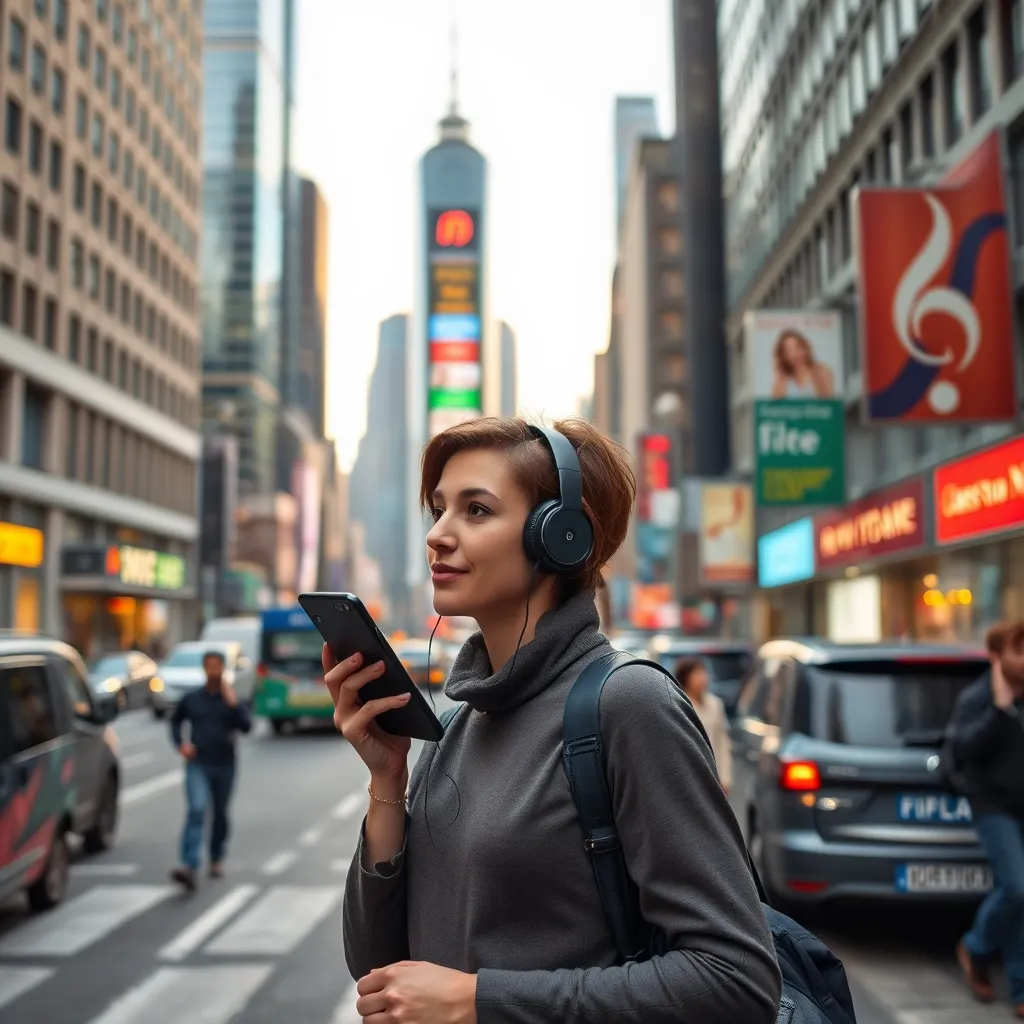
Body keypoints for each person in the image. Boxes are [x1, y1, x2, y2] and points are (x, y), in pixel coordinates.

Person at [332, 417, 780, 1023]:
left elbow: (736, 979)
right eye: (438, 510)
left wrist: (477, 1001)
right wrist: (387, 781)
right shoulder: (457, 724)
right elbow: (376, 965)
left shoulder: (630, 705)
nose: (437, 535)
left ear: (560, 537)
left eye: (476, 510)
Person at [951, 621, 1024, 1016]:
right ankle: (975, 946)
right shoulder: (978, 698)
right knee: (1016, 888)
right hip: (993, 806)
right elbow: (964, 751)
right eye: (1019, 651)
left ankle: (1020, 988)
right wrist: (1000, 709)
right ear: (997, 657)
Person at [169, 650, 251, 891]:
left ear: (223, 669)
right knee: (196, 809)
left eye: (217, 666)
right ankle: (189, 865)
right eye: (209, 666)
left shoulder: (231, 698)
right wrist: (181, 744)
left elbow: (247, 726)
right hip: (198, 763)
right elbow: (175, 721)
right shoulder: (193, 698)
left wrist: (233, 704)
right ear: (204, 669)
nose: (213, 671)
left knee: (220, 813)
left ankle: (216, 857)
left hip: (225, 764)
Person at [674, 656, 732, 796]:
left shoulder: (715, 704)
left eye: (703, 673)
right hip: (689, 776)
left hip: (713, 774)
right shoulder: (679, 705)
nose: (702, 678)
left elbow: (723, 742)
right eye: (696, 674)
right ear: (686, 678)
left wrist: (725, 778)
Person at [770, 329, 835, 398]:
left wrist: (820, 380)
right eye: (789, 350)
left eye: (797, 346)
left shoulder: (821, 371)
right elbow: (775, 403)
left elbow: (829, 402)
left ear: (805, 347)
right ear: (784, 356)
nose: (795, 353)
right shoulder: (783, 379)